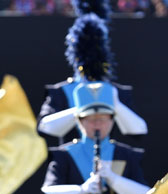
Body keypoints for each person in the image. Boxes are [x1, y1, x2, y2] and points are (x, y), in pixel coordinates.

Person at [41, 14, 149, 194]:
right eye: (91, 119)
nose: (97, 123)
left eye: (104, 118)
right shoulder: (65, 153)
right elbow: (46, 127)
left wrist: (113, 179)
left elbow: (139, 129)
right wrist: (83, 189)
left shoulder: (125, 153)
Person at [37, 0, 147, 145]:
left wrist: (115, 104)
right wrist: (81, 108)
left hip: (108, 164)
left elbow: (139, 131)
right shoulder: (60, 92)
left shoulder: (116, 92)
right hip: (71, 164)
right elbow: (44, 128)